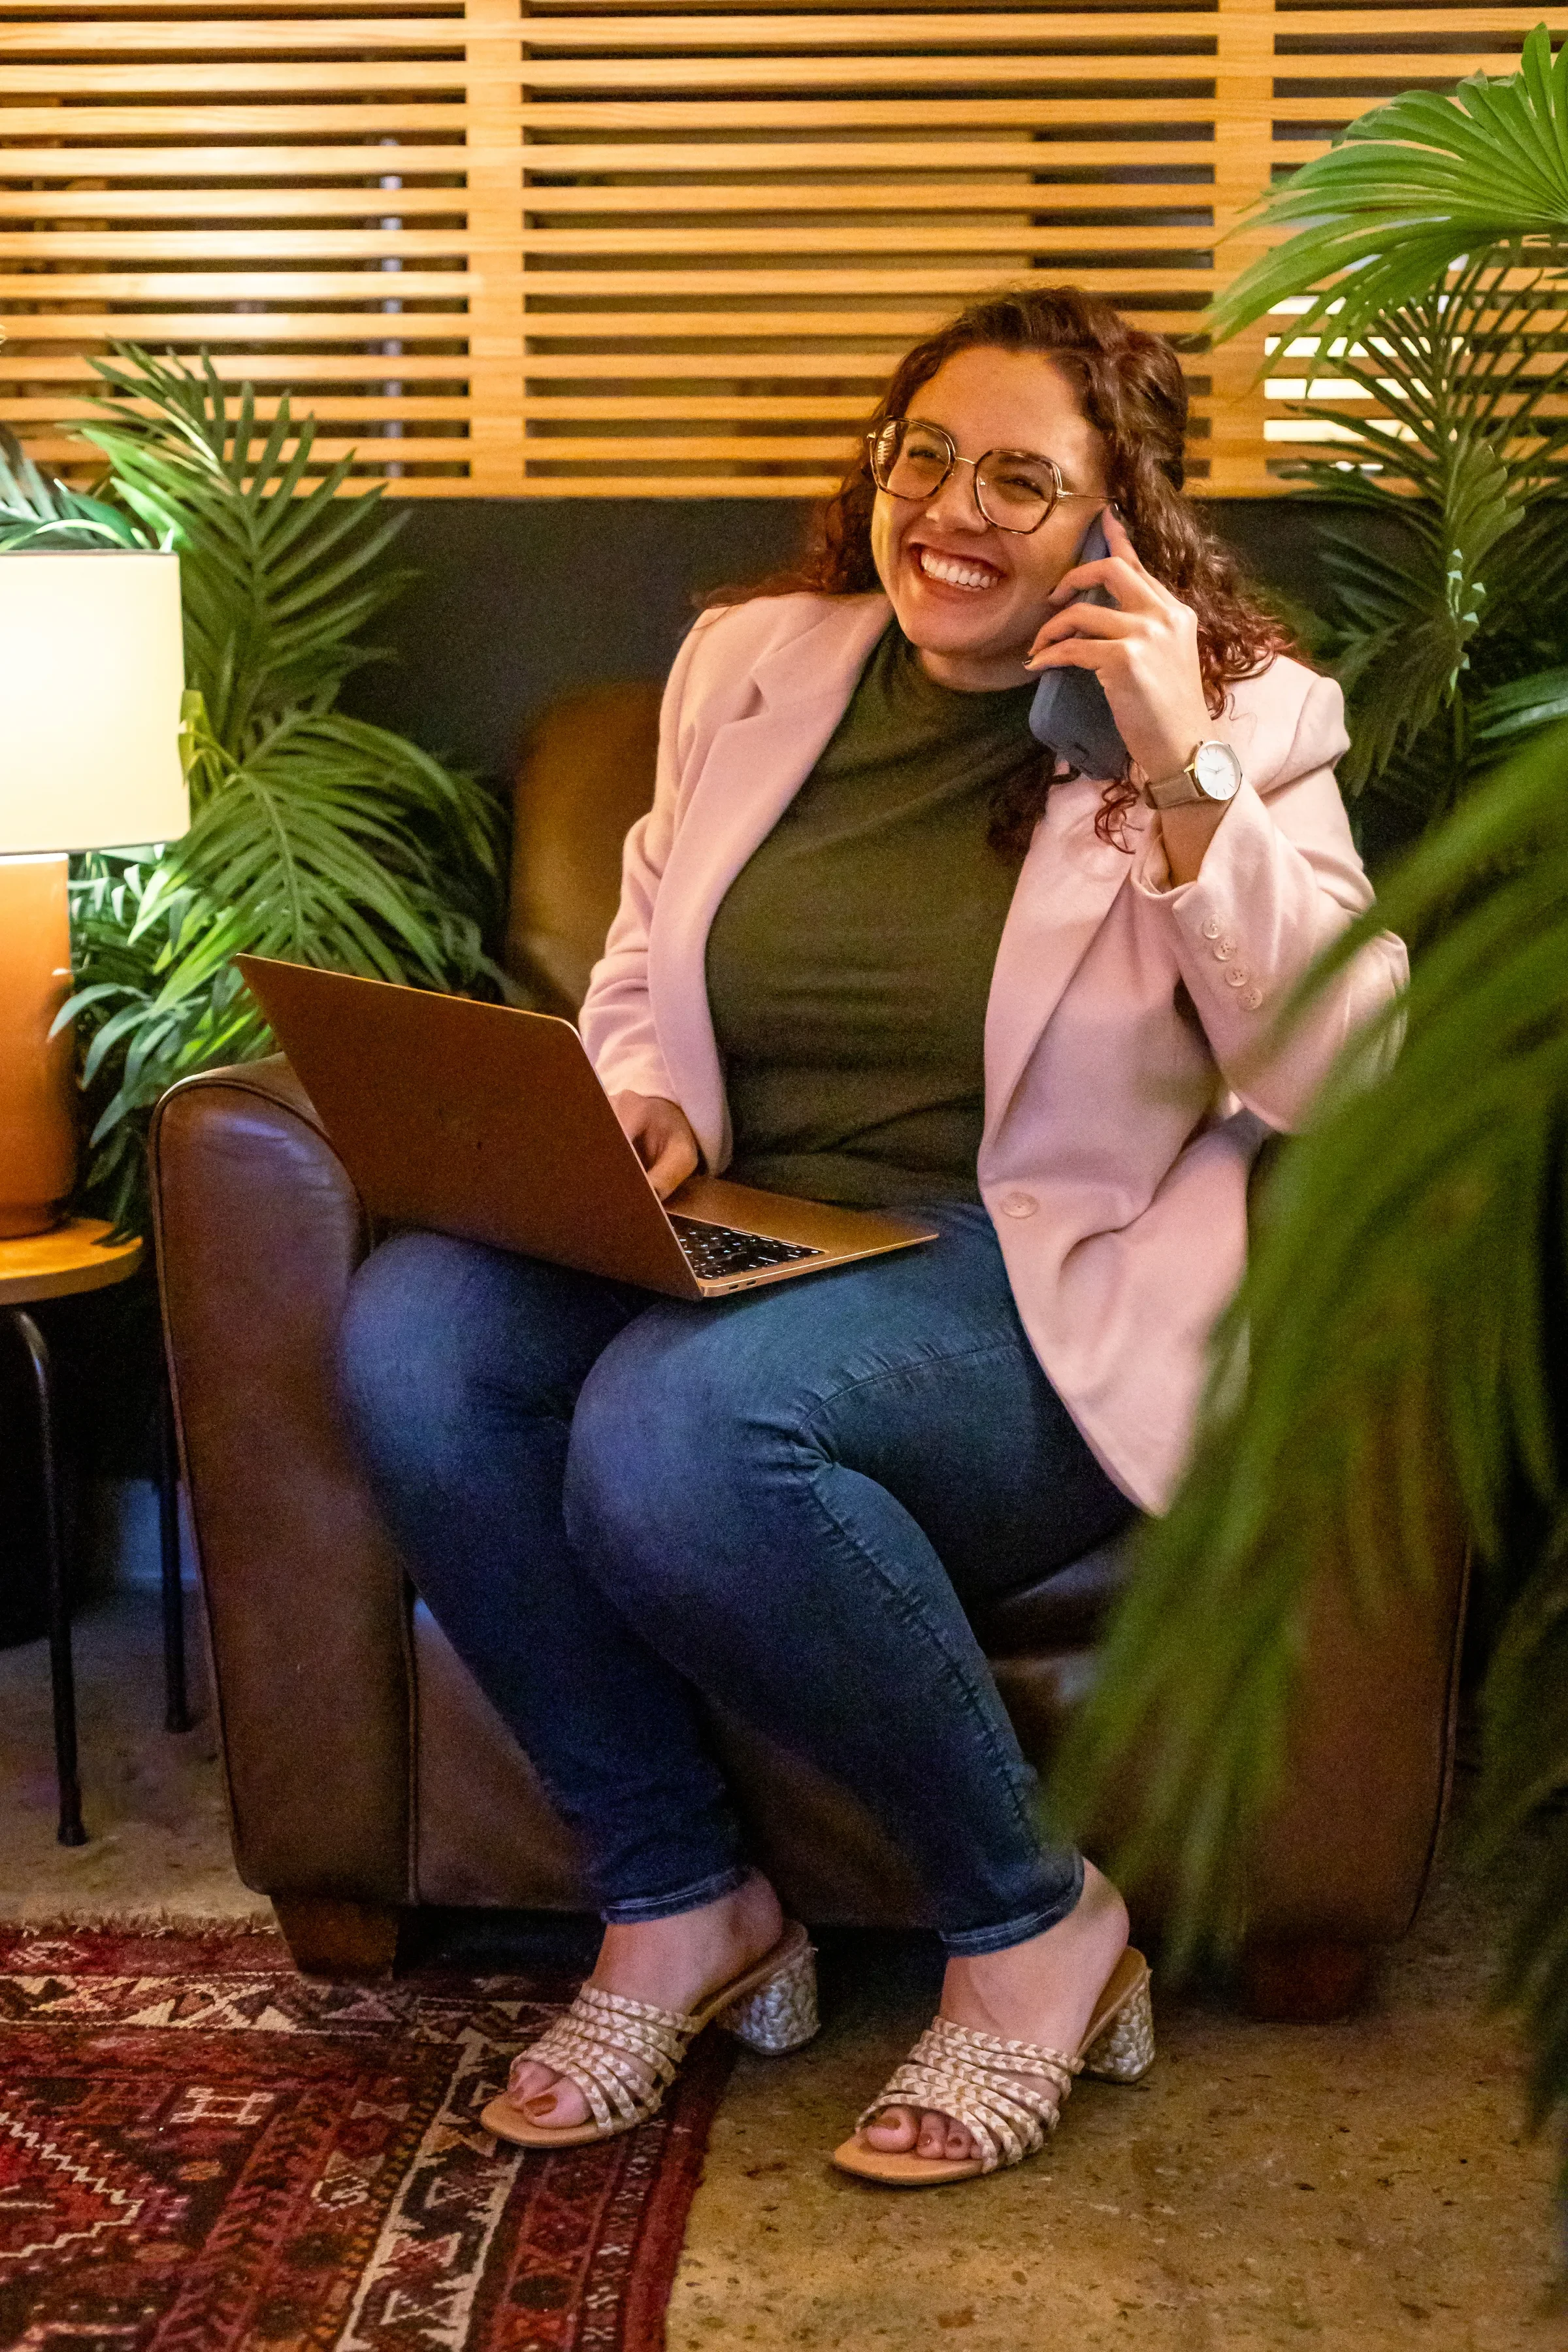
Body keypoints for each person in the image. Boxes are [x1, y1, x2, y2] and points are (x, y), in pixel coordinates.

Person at [338, 286, 1406, 2189]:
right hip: (749, 1228)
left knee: (678, 1426)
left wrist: (1176, 760)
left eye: (1024, 478)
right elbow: (652, 952)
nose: (955, 510)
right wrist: (646, 1093)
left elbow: (1342, 1065)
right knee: (417, 1328)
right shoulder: (757, 660)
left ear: (1113, 523)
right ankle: (680, 1903)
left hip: (1016, 1279)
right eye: (927, 454)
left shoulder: (1241, 714)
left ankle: (1031, 1926)